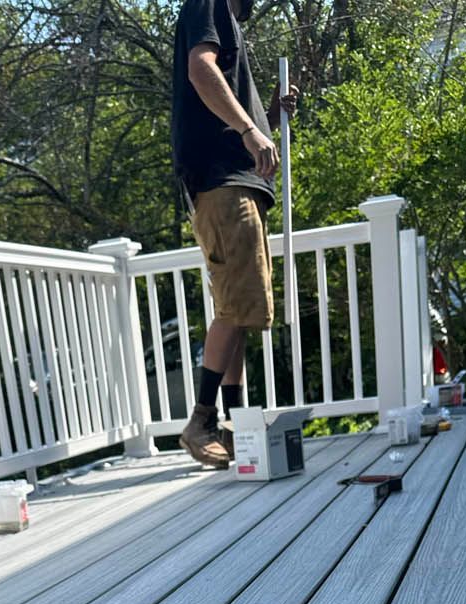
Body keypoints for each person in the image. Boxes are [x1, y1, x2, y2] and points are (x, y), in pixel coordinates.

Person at [171, 0, 297, 466]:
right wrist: (250, 129)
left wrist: (268, 118)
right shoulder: (207, 4)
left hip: (234, 181)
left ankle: (234, 424)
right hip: (223, 183)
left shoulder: (224, 19)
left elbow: (224, 107)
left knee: (240, 305)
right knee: (235, 304)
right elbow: (200, 70)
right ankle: (201, 419)